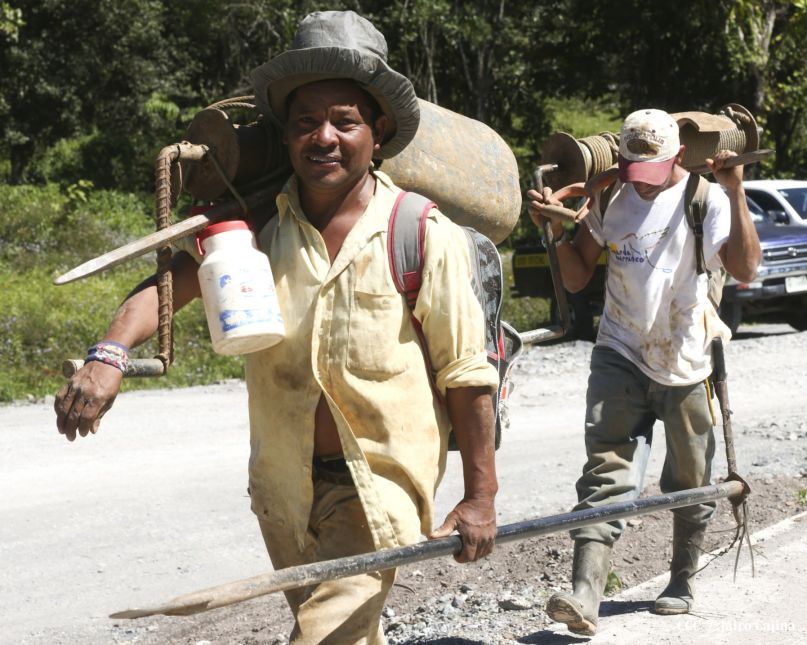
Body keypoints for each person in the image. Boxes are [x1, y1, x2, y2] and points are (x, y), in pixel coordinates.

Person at [55, 10, 500, 644]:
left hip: (379, 487)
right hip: (282, 487)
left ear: (378, 130)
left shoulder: (420, 233)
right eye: (305, 122)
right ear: (286, 136)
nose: (324, 137)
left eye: (344, 121)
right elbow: (163, 290)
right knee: (340, 631)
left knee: (322, 637)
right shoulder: (256, 228)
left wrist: (480, 495)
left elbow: (466, 371)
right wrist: (109, 353)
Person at [527, 108, 761, 636]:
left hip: (686, 359)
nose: (642, 181)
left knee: (690, 478)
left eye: (651, 170)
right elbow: (580, 273)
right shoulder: (611, 194)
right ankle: (585, 593)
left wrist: (737, 190)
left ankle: (681, 580)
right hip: (619, 351)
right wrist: (557, 233)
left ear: (677, 156)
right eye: (632, 167)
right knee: (604, 471)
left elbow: (746, 269)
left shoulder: (708, 199)